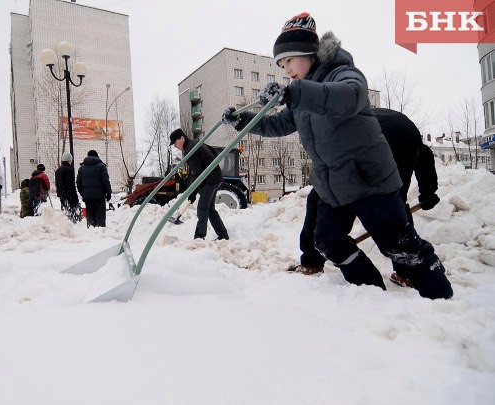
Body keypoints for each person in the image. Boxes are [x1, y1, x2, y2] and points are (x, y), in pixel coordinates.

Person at [221, 13, 452, 299]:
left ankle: (441, 298)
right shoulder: (302, 94)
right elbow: (279, 123)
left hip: (370, 180)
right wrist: (243, 121)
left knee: (398, 246)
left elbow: (350, 95)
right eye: (281, 65)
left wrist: (296, 94)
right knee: (327, 240)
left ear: (308, 53)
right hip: (334, 182)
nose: (286, 70)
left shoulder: (342, 73)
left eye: (288, 61)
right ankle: (371, 293)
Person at [290, 108, 441, 289]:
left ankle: (312, 262)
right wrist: (428, 191)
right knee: (395, 204)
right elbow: (424, 153)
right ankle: (409, 274)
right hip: (406, 135)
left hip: (380, 140)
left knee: (325, 195)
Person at [169, 128, 229, 241]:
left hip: (210, 180)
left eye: (175, 143)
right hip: (214, 177)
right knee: (210, 209)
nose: (175, 146)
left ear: (182, 138)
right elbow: (213, 152)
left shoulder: (190, 149)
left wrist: (193, 193)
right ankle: (223, 235)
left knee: (202, 208)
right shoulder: (194, 143)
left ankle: (199, 238)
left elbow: (197, 174)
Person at [76, 150, 112, 227]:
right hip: (100, 196)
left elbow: (78, 184)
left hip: (88, 197)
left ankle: (91, 233)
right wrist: (108, 193)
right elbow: (106, 181)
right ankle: (100, 233)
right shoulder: (102, 166)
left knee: (90, 217)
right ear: (97, 156)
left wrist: (83, 194)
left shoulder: (81, 168)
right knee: (100, 217)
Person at [55, 152, 82, 223]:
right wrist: (75, 197)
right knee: (73, 210)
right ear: (70, 160)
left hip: (61, 194)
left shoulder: (58, 170)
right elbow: (71, 185)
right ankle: (74, 222)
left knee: (66, 210)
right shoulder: (69, 170)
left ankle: (67, 223)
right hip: (69, 194)